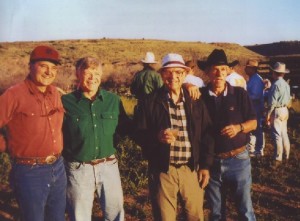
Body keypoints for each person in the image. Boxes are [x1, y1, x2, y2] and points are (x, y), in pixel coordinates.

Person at [135, 53, 214, 221]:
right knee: (165, 218)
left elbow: (207, 133)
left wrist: (205, 165)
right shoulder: (150, 101)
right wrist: (156, 137)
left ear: (185, 75)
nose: (173, 77)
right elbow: (139, 133)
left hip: (191, 169)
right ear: (162, 74)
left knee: (195, 216)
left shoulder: (195, 100)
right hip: (163, 170)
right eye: (168, 72)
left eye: (178, 73)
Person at [0, 45, 66, 221]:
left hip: (58, 168)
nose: (48, 72)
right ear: (30, 66)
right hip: (29, 171)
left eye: (53, 68)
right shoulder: (14, 94)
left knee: (57, 217)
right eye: (43, 66)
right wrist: (5, 144)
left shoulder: (55, 93)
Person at [62, 56, 131, 221]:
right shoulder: (65, 102)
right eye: (88, 73)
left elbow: (126, 128)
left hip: (109, 166)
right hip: (78, 169)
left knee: (116, 214)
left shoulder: (113, 101)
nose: (92, 78)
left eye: (96, 73)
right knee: (80, 216)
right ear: (78, 75)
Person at [199, 49, 257, 221]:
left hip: (238, 160)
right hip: (212, 163)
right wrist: (188, 86)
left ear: (228, 71)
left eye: (223, 69)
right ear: (207, 72)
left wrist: (239, 127)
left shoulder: (239, 94)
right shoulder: (200, 97)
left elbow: (253, 122)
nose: (219, 73)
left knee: (245, 209)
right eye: (214, 69)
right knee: (216, 213)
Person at [266, 62, 291, 165]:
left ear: (275, 72)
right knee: (284, 133)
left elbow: (272, 102)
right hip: (285, 109)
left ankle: (278, 158)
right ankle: (287, 155)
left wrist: (268, 114)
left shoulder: (275, 85)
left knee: (277, 134)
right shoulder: (286, 84)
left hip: (277, 110)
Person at [245, 59, 265, 157]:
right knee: (254, 129)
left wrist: (245, 96)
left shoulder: (256, 80)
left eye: (247, 67)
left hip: (255, 107)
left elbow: (256, 96)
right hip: (253, 107)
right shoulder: (253, 78)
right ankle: (254, 148)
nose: (245, 69)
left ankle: (259, 149)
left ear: (252, 69)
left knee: (257, 129)